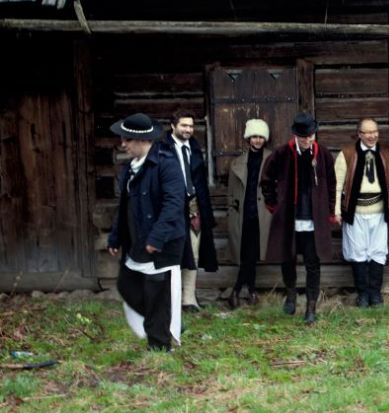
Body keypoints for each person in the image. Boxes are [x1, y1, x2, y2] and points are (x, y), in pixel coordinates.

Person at [107, 113, 185, 352]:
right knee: (126, 285)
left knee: (156, 293)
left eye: (127, 139)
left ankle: (159, 346)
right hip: (136, 242)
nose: (123, 144)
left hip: (161, 243)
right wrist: (115, 237)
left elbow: (174, 204)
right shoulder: (129, 168)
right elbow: (124, 208)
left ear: (142, 140)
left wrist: (157, 237)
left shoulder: (166, 164)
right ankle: (164, 321)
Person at [261, 113, 336, 324]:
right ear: (296, 135)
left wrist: (330, 211)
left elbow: (331, 185)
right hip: (289, 218)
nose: (308, 140)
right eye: (304, 137)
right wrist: (274, 205)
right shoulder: (282, 153)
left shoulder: (323, 155)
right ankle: (291, 294)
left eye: (311, 136)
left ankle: (311, 307)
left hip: (314, 219)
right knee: (288, 259)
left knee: (313, 263)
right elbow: (266, 180)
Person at [333, 118, 389, 308]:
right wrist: (336, 211)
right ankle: (362, 294)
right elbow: (337, 186)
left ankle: (375, 293)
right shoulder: (346, 154)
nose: (372, 136)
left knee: (378, 252)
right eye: (367, 132)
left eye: (374, 132)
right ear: (359, 134)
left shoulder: (387, 155)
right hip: (355, 213)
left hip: (379, 213)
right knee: (358, 252)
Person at [162, 109, 218, 312]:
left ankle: (188, 299)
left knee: (193, 253)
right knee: (173, 254)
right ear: (173, 126)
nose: (188, 129)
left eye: (191, 126)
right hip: (172, 209)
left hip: (194, 208)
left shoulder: (194, 148)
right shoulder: (162, 150)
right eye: (184, 125)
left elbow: (200, 182)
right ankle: (171, 299)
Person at [226, 118, 273, 309]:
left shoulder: (272, 159)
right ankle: (250, 291)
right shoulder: (237, 163)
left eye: (261, 136)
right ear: (248, 138)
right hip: (243, 215)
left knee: (252, 254)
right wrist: (232, 211)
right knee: (246, 255)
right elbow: (231, 193)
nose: (257, 140)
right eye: (254, 136)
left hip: (262, 215)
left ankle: (238, 291)